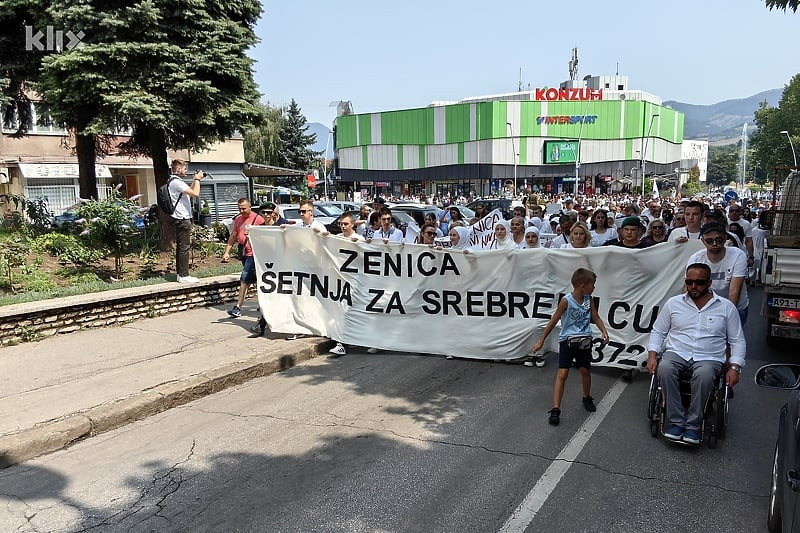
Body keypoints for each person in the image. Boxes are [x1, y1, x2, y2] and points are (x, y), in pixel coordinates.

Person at [646, 263, 746, 444]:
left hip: (710, 357)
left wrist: (735, 367)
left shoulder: (726, 307)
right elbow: (658, 331)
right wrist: (652, 355)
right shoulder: (673, 303)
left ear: (709, 283)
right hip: (677, 352)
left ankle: (693, 425)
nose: (694, 287)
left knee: (705, 375)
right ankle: (676, 421)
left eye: (699, 282)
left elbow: (737, 340)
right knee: (665, 369)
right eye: (689, 282)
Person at [533, 268, 610, 426]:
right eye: (592, 285)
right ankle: (555, 409)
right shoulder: (566, 301)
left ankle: (586, 397)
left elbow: (595, 317)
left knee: (585, 371)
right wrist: (541, 340)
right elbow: (554, 320)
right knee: (563, 374)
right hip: (567, 340)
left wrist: (604, 330)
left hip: (584, 340)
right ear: (583, 285)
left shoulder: (590, 299)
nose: (594, 287)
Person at [688, 223, 749, 325]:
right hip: (706, 308)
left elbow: (734, 291)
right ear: (703, 241)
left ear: (725, 238)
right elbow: (688, 287)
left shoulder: (737, 255)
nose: (715, 243)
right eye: (710, 241)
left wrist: (727, 317)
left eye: (719, 239)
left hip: (735, 307)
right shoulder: (696, 258)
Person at [223, 198, 265, 318]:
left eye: (244, 208)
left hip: (254, 254)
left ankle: (238, 307)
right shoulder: (238, 219)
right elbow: (234, 235)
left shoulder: (258, 219)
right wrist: (227, 252)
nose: (241, 211)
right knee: (257, 279)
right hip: (244, 253)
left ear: (250, 207)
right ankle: (262, 303)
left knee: (244, 279)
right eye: (239, 208)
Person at [168, 159, 205, 283]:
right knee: (184, 247)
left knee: (182, 247)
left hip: (180, 218)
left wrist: (195, 179)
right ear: (178, 169)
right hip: (182, 219)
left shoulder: (175, 181)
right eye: (184, 168)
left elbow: (189, 191)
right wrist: (198, 179)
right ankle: (184, 276)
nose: (186, 171)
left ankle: (181, 274)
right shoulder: (176, 183)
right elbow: (195, 193)